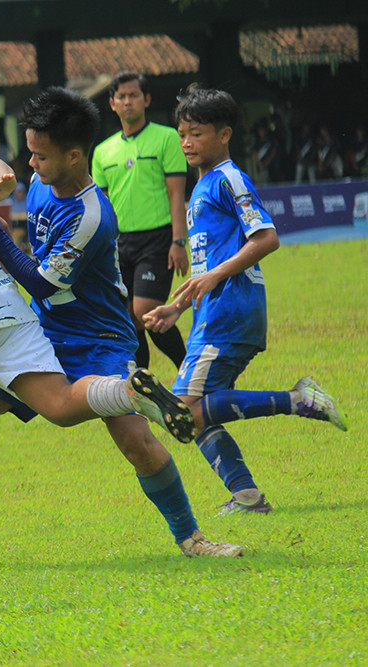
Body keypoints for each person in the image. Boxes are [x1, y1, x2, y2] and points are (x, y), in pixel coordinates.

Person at [0, 88, 243, 565]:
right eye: (30, 153)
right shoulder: (41, 183)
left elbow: (39, 282)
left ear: (73, 155)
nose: (31, 164)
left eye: (40, 155)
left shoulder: (91, 215)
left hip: (97, 335)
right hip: (42, 329)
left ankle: (191, 536)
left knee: (135, 442)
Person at [143, 85, 347, 514]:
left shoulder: (229, 178)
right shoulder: (203, 186)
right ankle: (247, 497)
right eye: (182, 135)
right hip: (213, 311)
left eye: (196, 134)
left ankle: (298, 400)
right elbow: (211, 262)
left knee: (182, 411)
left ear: (224, 134)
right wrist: (177, 306)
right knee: (192, 415)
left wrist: (214, 276)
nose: (186, 143)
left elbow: (267, 237)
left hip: (231, 310)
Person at [92, 71, 189, 373]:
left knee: (145, 310)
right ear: (112, 103)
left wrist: (178, 241)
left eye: (133, 95)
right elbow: (102, 208)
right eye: (121, 97)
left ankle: (188, 368)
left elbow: (176, 193)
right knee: (128, 319)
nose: (127, 102)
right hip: (119, 244)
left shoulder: (167, 138)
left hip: (158, 239)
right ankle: (141, 381)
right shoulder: (102, 151)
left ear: (146, 100)